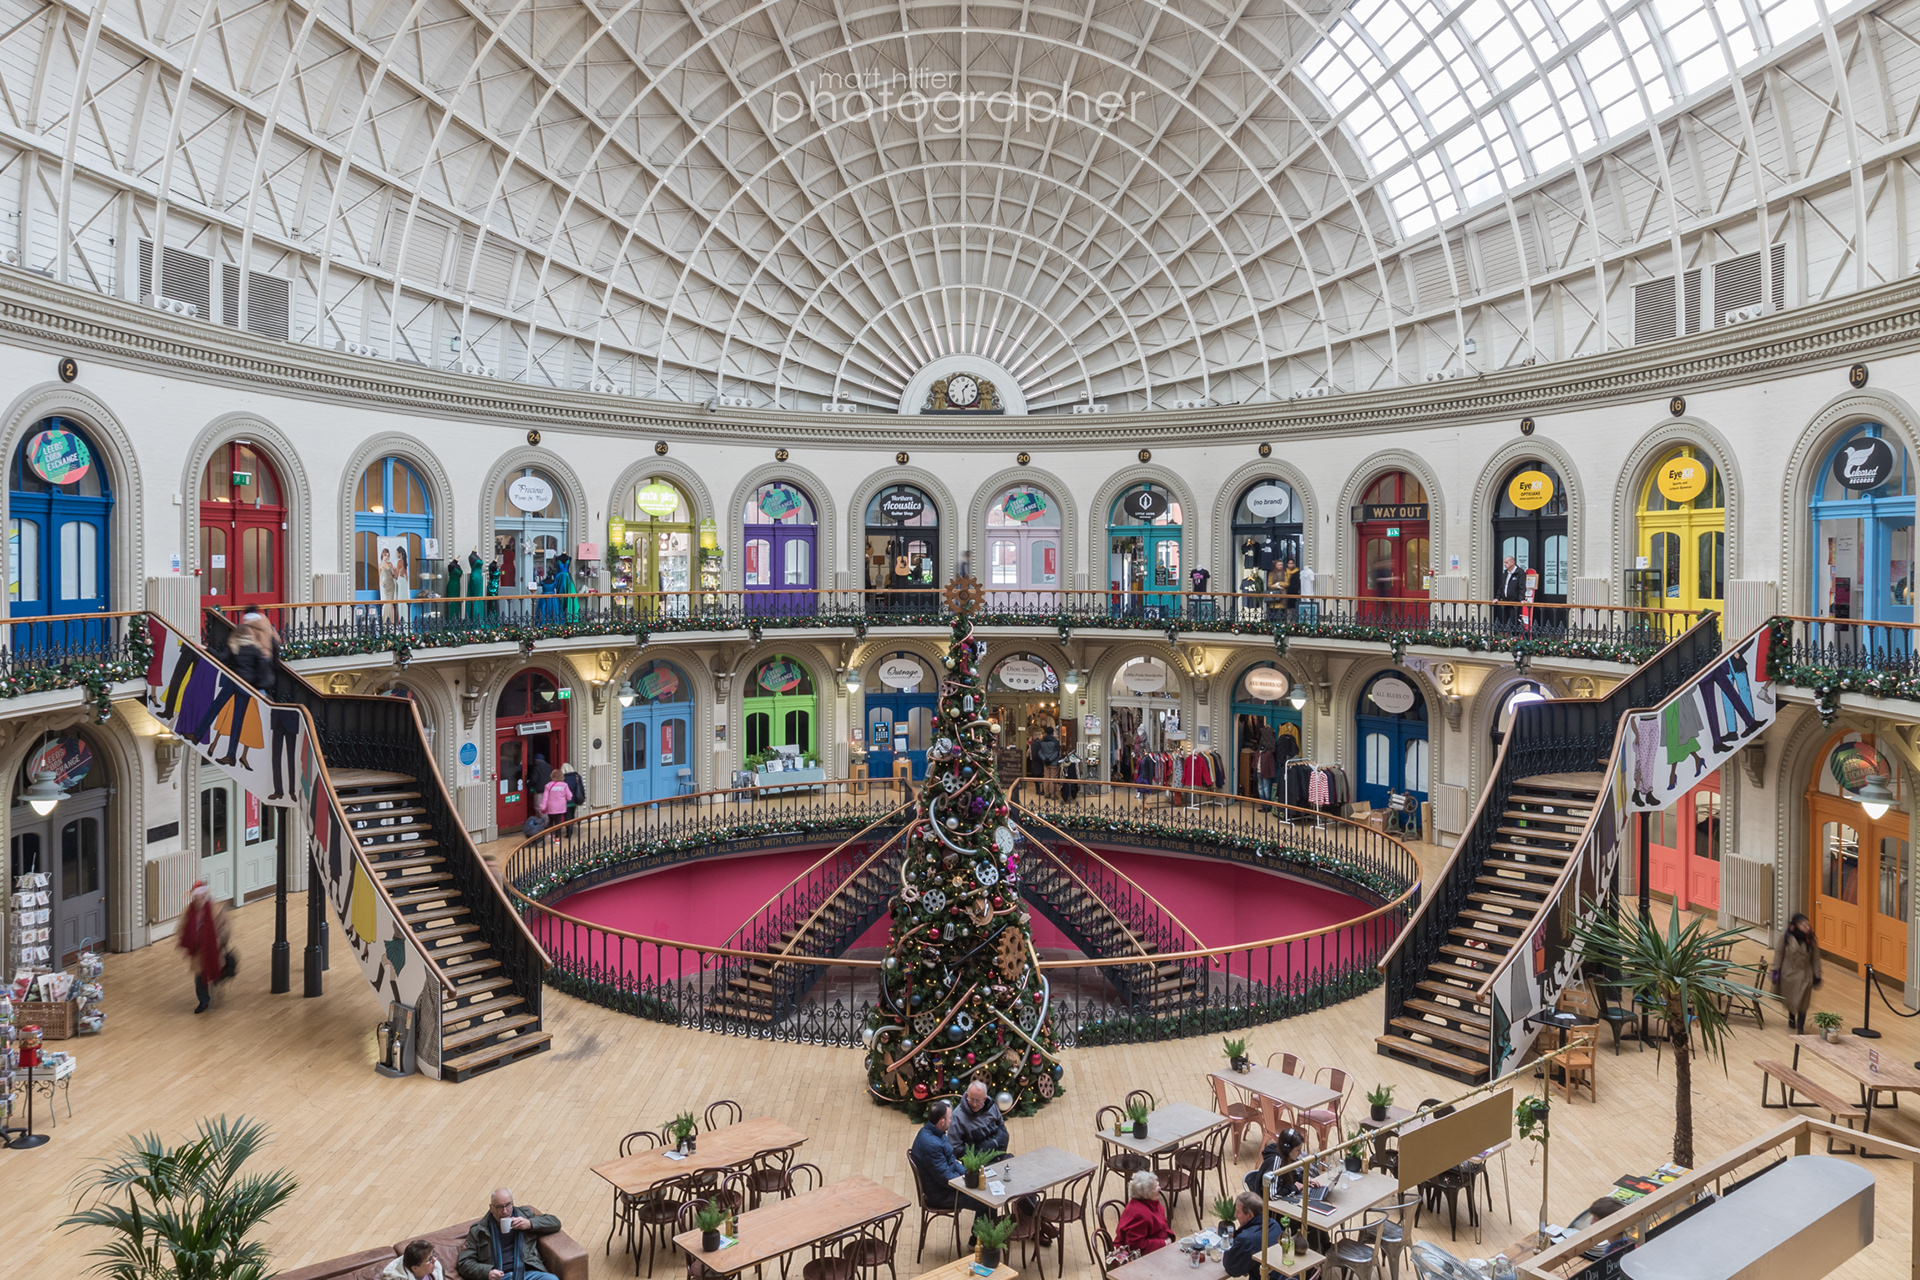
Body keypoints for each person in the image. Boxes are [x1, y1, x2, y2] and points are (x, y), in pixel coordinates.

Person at [456, 1188, 562, 1280]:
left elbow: (555, 1223)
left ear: (512, 1203)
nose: (505, 1211)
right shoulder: (479, 1230)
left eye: (508, 1205)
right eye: (499, 1207)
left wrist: (530, 1223)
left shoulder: (524, 1215)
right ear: (491, 1208)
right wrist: (487, 1272)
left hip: (526, 1273)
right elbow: (464, 1263)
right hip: (500, 1277)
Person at [909, 1099, 974, 1226]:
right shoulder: (932, 1145)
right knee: (984, 1201)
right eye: (949, 1117)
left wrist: (968, 1173)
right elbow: (946, 1179)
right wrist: (969, 1182)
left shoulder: (933, 1132)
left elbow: (951, 1161)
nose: (951, 1120)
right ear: (942, 1121)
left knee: (982, 1195)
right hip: (940, 1195)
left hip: (942, 1188)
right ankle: (980, 1241)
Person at [175, 881, 230, 1014]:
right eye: (197, 896)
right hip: (198, 950)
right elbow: (182, 927)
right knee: (199, 976)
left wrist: (220, 939)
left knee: (215, 970)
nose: (199, 899)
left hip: (213, 947)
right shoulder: (189, 911)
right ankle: (203, 1001)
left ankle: (216, 982)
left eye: (201, 896)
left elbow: (225, 926)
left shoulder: (216, 908)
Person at [1773, 912, 1822, 1033]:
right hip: (1789, 973)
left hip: (1806, 974)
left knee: (1803, 1002)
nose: (1807, 927)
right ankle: (1791, 1016)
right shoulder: (1786, 937)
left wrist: (1817, 975)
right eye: (1803, 924)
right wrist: (1776, 970)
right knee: (1792, 999)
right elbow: (1779, 954)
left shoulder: (1811, 939)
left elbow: (1816, 958)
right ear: (1795, 925)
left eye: (1808, 924)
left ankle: (1800, 1027)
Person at [1114, 1171, 1173, 1257]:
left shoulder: (1151, 1202)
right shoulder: (1139, 1214)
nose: (1159, 1188)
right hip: (1140, 1257)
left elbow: (1162, 1223)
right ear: (1145, 1193)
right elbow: (1135, 1246)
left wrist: (1169, 1237)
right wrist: (1164, 1243)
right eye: (1155, 1187)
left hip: (1158, 1249)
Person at [1222, 1191, 1281, 1277]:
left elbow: (1230, 1267)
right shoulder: (1275, 1225)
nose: (1235, 1215)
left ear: (1250, 1215)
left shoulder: (1246, 1239)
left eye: (1238, 1212)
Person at [948, 1080, 1009, 1156]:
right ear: (967, 1095)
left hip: (999, 1152)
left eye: (978, 1101)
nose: (974, 1104)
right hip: (977, 1160)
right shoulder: (957, 1117)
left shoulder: (991, 1105)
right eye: (971, 1099)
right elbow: (955, 1147)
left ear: (984, 1099)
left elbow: (1001, 1124)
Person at [1245, 1127, 1307, 1197]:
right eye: (1298, 1150)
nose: (1300, 1153)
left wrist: (1304, 1179)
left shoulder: (1284, 1156)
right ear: (1288, 1149)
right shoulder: (1275, 1161)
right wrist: (1294, 1188)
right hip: (1267, 1205)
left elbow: (1289, 1174)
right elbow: (1272, 1194)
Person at [1035, 724, 1062, 799]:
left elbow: (1040, 752)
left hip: (1045, 763)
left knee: (1046, 777)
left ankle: (1046, 794)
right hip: (1054, 763)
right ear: (1053, 732)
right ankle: (1053, 795)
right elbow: (1057, 752)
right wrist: (1050, 759)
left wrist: (1045, 759)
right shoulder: (1055, 742)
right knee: (1053, 778)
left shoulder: (1042, 741)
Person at [1498, 555, 1526, 627]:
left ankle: (1515, 636)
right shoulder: (1505, 573)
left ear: (1512, 562)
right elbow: (1502, 587)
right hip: (1505, 601)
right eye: (1504, 562)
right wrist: (1497, 597)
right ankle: (1506, 636)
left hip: (1515, 602)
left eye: (1506, 562)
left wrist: (1522, 599)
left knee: (1514, 621)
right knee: (1505, 621)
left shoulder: (1520, 572)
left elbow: (1522, 586)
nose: (1505, 564)